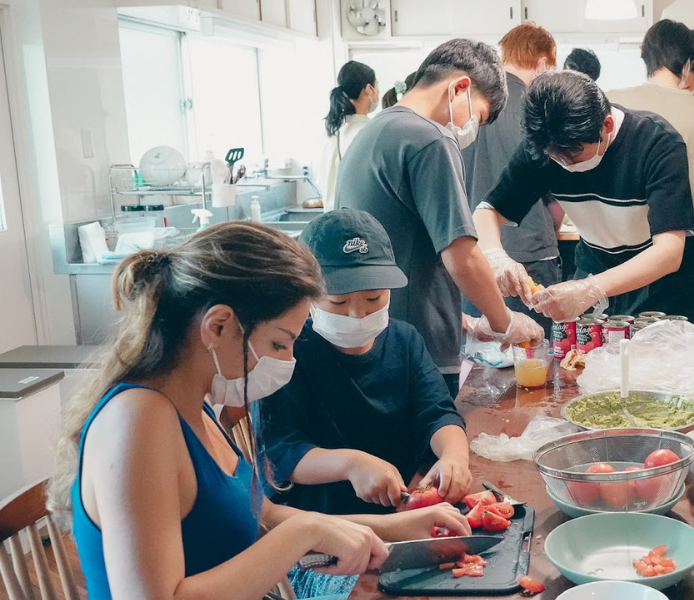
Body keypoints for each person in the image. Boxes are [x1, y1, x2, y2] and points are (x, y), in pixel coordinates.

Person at [51, 222, 470, 600]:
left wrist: (400, 527)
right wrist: (306, 531)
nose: (288, 361)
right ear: (218, 326)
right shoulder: (137, 420)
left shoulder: (194, 408)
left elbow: (264, 516)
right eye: (278, 344)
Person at [336, 39, 543, 396]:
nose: (471, 130)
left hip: (376, 341)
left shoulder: (374, 131)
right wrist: (505, 322)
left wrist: (466, 323)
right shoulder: (430, 139)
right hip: (417, 353)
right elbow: (461, 256)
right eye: (477, 117)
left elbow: (398, 250)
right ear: (460, 88)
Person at [256, 209, 472, 523]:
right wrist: (351, 465)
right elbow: (280, 450)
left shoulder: (405, 341)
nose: (357, 315)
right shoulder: (289, 352)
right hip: (322, 523)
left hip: (403, 513)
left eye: (373, 299)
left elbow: (438, 413)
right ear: (308, 297)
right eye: (339, 302)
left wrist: (454, 456)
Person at [474, 70, 694, 323]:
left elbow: (669, 252)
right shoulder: (546, 145)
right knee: (587, 347)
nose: (564, 163)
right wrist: (495, 256)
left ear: (607, 125)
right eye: (556, 157)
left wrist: (591, 288)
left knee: (658, 346)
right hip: (596, 265)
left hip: (661, 281)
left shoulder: (657, 143)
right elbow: (488, 211)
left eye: (573, 155)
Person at [461, 24, 562, 337]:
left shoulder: (468, 109)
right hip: (530, 256)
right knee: (535, 350)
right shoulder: (540, 110)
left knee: (480, 352)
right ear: (543, 62)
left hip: (472, 255)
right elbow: (556, 203)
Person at [608, 19, 694, 251]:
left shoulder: (611, 102)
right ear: (687, 64)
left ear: (645, 59)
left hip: (619, 243)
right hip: (683, 244)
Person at [322, 61, 378, 212]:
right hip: (358, 217)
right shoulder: (370, 130)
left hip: (333, 215)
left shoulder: (332, 131)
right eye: (377, 86)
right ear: (369, 89)